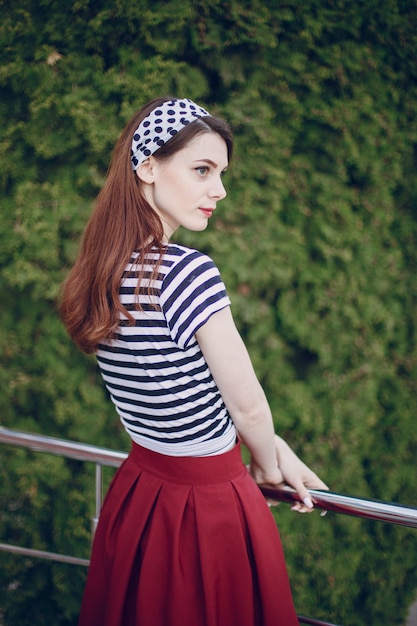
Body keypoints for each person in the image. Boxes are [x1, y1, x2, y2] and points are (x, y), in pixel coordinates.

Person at [59, 96, 328, 626]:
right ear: (148, 167)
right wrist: (268, 469)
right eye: (202, 169)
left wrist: (274, 446)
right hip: (207, 507)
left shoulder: (105, 270)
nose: (219, 190)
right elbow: (247, 406)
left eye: (221, 173)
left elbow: (184, 397)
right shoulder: (185, 273)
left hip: (141, 495)